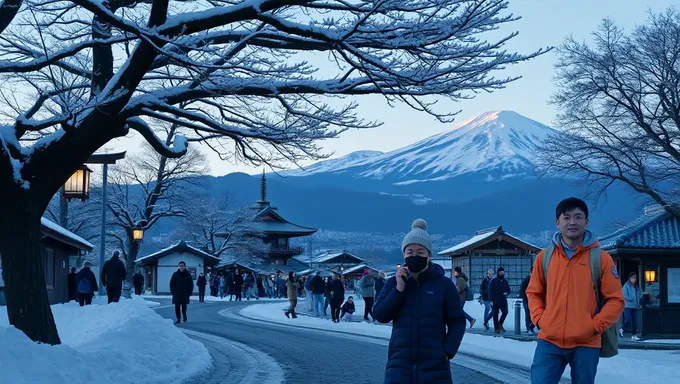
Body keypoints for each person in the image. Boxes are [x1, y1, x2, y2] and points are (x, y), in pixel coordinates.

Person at [527, 197, 624, 384]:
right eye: (567, 217)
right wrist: (540, 319)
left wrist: (594, 326)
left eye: (578, 217)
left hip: (586, 342)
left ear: (586, 222)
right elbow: (534, 293)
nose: (572, 222)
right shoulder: (544, 257)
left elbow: (615, 299)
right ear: (558, 222)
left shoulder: (601, 258)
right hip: (549, 340)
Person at [373, 219, 467, 384]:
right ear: (404, 254)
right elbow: (380, 315)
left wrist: (447, 351)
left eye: (420, 252)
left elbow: (457, 320)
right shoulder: (393, 283)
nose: (414, 256)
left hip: (435, 366)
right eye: (410, 252)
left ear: (429, 256)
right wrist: (399, 290)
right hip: (399, 364)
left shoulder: (443, 285)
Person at [489, 267, 510, 334]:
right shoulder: (493, 281)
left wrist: (507, 293)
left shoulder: (505, 281)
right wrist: (491, 300)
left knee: (505, 312)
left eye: (503, 273)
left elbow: (508, 290)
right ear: (498, 273)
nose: (502, 274)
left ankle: (500, 323)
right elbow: (490, 291)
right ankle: (496, 328)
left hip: (503, 300)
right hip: (495, 300)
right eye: (500, 273)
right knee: (495, 314)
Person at [621, 272, 642, 341]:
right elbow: (624, 295)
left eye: (635, 278)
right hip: (628, 306)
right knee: (628, 319)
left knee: (635, 322)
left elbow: (640, 294)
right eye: (632, 278)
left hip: (635, 306)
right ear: (629, 278)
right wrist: (631, 298)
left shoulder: (636, 287)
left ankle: (634, 335)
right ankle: (622, 329)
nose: (634, 279)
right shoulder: (626, 285)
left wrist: (639, 298)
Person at [519, 268, 535, 334]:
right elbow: (522, 289)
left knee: (533, 314)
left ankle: (531, 327)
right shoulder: (527, 279)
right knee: (528, 313)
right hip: (527, 299)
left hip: (532, 299)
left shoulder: (535, 279)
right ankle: (529, 327)